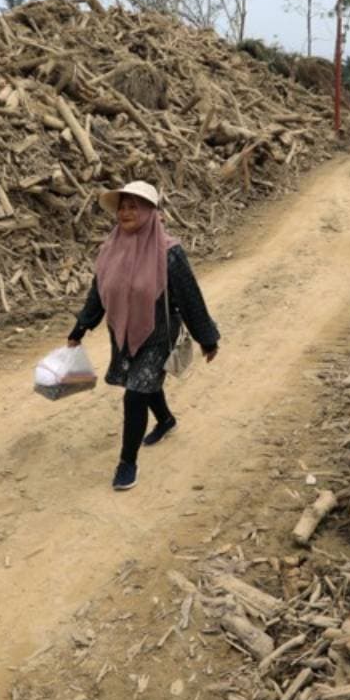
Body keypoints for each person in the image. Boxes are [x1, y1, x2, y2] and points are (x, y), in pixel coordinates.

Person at [68, 181, 220, 491]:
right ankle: (165, 420)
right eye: (122, 206)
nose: (125, 212)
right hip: (122, 330)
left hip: (159, 334)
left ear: (150, 212)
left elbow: (190, 297)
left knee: (135, 392)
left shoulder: (168, 252)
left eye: (133, 206)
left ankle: (127, 463)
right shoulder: (111, 248)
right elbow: (99, 292)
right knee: (142, 381)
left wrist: (207, 338)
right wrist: (81, 327)